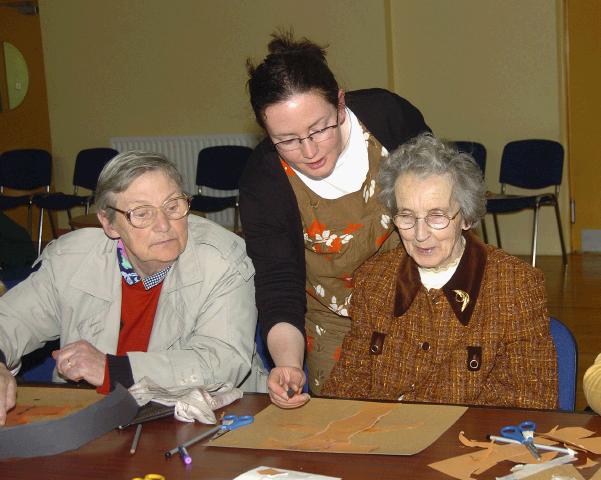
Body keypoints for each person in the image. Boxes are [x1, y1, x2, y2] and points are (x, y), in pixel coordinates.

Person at [0, 151, 265, 425]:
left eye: (173, 206)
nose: (164, 226)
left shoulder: (222, 259)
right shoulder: (71, 259)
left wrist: (111, 369)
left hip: (207, 418)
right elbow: (11, 319)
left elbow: (222, 363)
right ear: (108, 223)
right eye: (142, 214)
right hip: (98, 416)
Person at [240, 31, 430, 407]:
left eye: (319, 129)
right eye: (288, 140)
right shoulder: (263, 180)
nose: (309, 151)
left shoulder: (388, 118)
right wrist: (289, 365)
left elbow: (443, 205)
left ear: (340, 103)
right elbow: (279, 285)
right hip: (335, 324)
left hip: (425, 303)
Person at [322, 134, 558, 409]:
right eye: (407, 216)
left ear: (467, 217)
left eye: (437, 216)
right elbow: (345, 387)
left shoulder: (515, 286)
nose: (420, 235)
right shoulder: (374, 280)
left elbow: (530, 401)